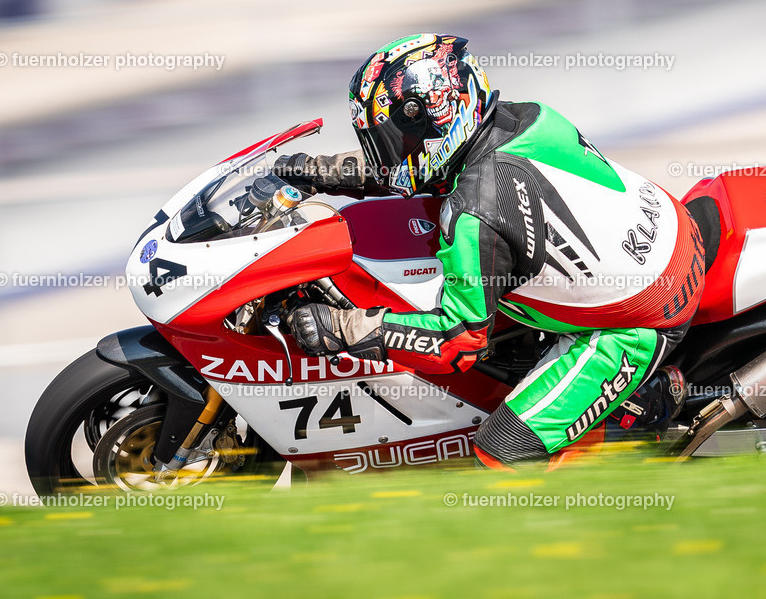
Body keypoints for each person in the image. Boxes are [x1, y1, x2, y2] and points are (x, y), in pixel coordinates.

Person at [274, 33, 705, 469]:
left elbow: (456, 341)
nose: (388, 152)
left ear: (434, 118)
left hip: (642, 320)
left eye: (392, 138)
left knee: (499, 451)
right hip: (670, 231)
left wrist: (344, 328)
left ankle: (634, 417)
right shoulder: (524, 116)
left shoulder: (476, 212)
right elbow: (424, 165)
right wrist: (321, 171)